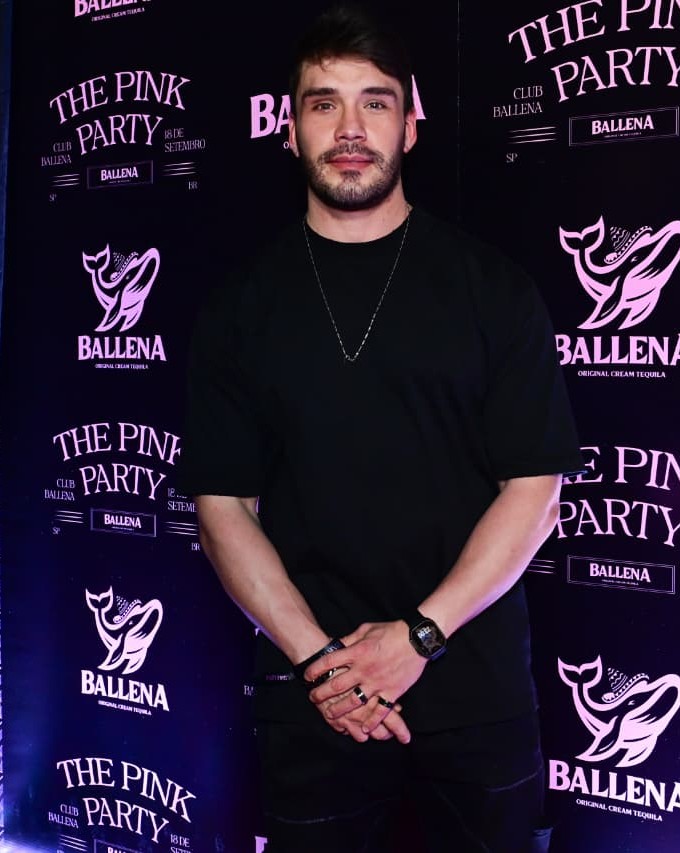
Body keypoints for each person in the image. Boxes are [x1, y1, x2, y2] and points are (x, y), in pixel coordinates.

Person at [179, 4, 583, 851]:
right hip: (312, 701)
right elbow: (222, 508)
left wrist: (418, 637)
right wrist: (323, 663)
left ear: (411, 123)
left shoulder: (493, 291)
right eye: (324, 103)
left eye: (376, 101)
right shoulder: (239, 309)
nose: (350, 129)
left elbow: (535, 490)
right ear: (289, 129)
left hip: (474, 696)